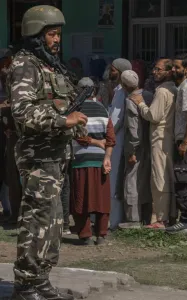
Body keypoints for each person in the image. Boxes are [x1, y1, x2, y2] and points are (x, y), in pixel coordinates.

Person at [7, 6, 88, 300]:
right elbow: (22, 111)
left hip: (55, 155)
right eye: (52, 34)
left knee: (53, 220)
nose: (57, 40)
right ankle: (26, 283)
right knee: (37, 219)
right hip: (37, 155)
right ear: (36, 35)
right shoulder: (25, 65)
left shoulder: (49, 66)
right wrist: (61, 120)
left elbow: (61, 105)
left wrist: (75, 124)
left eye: (58, 34)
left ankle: (41, 278)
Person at [130, 58, 178, 229]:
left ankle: (161, 219)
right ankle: (169, 216)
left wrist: (141, 103)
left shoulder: (162, 91)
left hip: (160, 138)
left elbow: (153, 116)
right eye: (155, 69)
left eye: (159, 69)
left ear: (169, 71)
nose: (154, 72)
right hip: (168, 138)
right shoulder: (173, 88)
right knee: (166, 177)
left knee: (159, 178)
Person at [71, 77, 115, 245]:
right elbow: (110, 138)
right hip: (100, 160)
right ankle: (102, 234)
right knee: (102, 198)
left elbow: (78, 136)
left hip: (80, 160)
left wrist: (92, 142)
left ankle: (85, 235)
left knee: (81, 198)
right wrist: (107, 158)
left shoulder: (76, 110)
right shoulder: (104, 110)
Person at [165, 54, 187, 233]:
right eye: (172, 67)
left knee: (183, 179)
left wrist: (185, 141)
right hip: (183, 139)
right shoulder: (183, 87)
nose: (173, 70)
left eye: (177, 67)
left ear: (186, 69)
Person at [119, 70, 153, 228]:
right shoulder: (148, 95)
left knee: (132, 181)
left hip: (137, 147)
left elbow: (134, 129)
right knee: (145, 181)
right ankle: (146, 217)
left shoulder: (131, 100)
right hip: (149, 144)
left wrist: (131, 151)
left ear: (124, 85)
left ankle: (133, 219)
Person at [109, 58, 132, 230]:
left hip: (116, 142)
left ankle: (114, 220)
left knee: (114, 180)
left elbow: (114, 121)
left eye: (113, 70)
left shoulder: (121, 93)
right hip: (116, 140)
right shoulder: (118, 91)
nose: (111, 73)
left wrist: (106, 138)